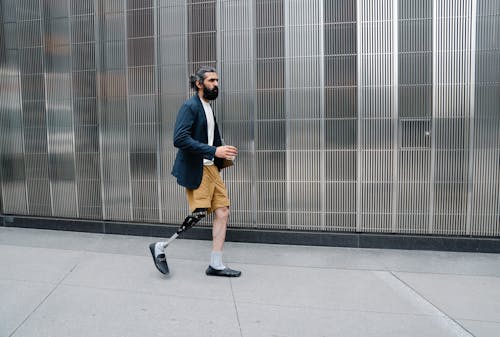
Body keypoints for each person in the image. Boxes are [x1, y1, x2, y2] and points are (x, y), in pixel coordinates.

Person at [150, 66, 241, 277]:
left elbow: (210, 138)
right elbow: (179, 139)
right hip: (197, 168)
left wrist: (223, 152)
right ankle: (160, 246)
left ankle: (216, 264)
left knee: (223, 211)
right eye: (211, 81)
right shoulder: (190, 106)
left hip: (211, 168)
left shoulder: (207, 106)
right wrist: (213, 150)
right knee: (200, 212)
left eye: (217, 81)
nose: (216, 85)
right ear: (199, 84)